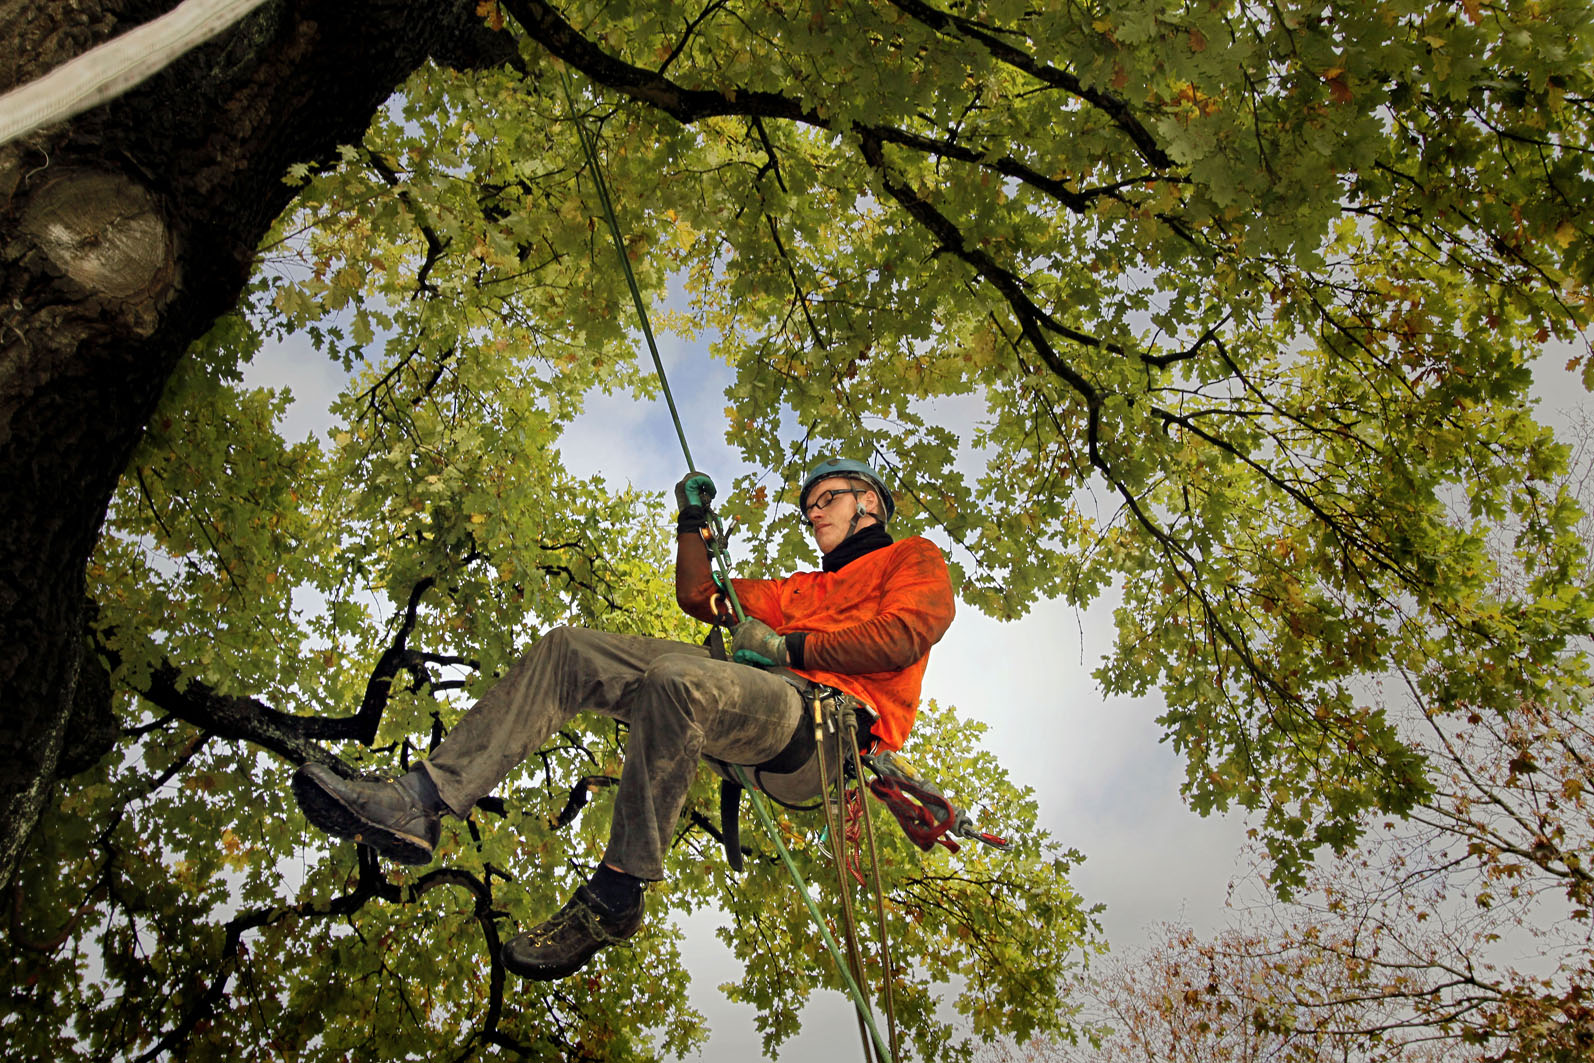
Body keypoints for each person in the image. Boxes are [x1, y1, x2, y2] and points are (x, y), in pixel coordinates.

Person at [291, 457, 955, 980]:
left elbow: (905, 633)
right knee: (571, 650)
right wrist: (690, 523)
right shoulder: (796, 589)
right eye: (808, 506)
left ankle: (615, 892)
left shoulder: (911, 557)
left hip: (822, 730)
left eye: (826, 499)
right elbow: (700, 595)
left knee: (679, 678)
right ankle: (419, 800)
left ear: (869, 500)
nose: (812, 514)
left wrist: (789, 647)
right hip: (749, 701)